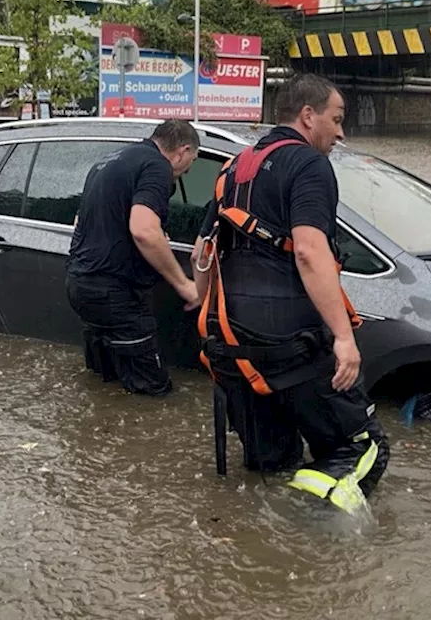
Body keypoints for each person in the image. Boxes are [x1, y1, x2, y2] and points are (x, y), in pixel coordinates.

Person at [191, 74, 389, 516]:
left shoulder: (231, 168)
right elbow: (308, 249)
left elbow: (202, 259)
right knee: (363, 449)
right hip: (291, 342)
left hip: (230, 347)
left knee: (271, 464)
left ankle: (262, 550)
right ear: (307, 115)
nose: (341, 132)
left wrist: (204, 311)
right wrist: (342, 336)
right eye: (336, 120)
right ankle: (307, 542)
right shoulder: (309, 166)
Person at [65, 119, 201, 397]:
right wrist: (184, 285)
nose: (187, 171)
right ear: (183, 151)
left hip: (80, 284)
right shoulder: (156, 166)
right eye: (192, 161)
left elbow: (80, 220)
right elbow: (144, 231)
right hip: (115, 293)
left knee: (106, 385)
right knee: (154, 393)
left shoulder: (110, 161)